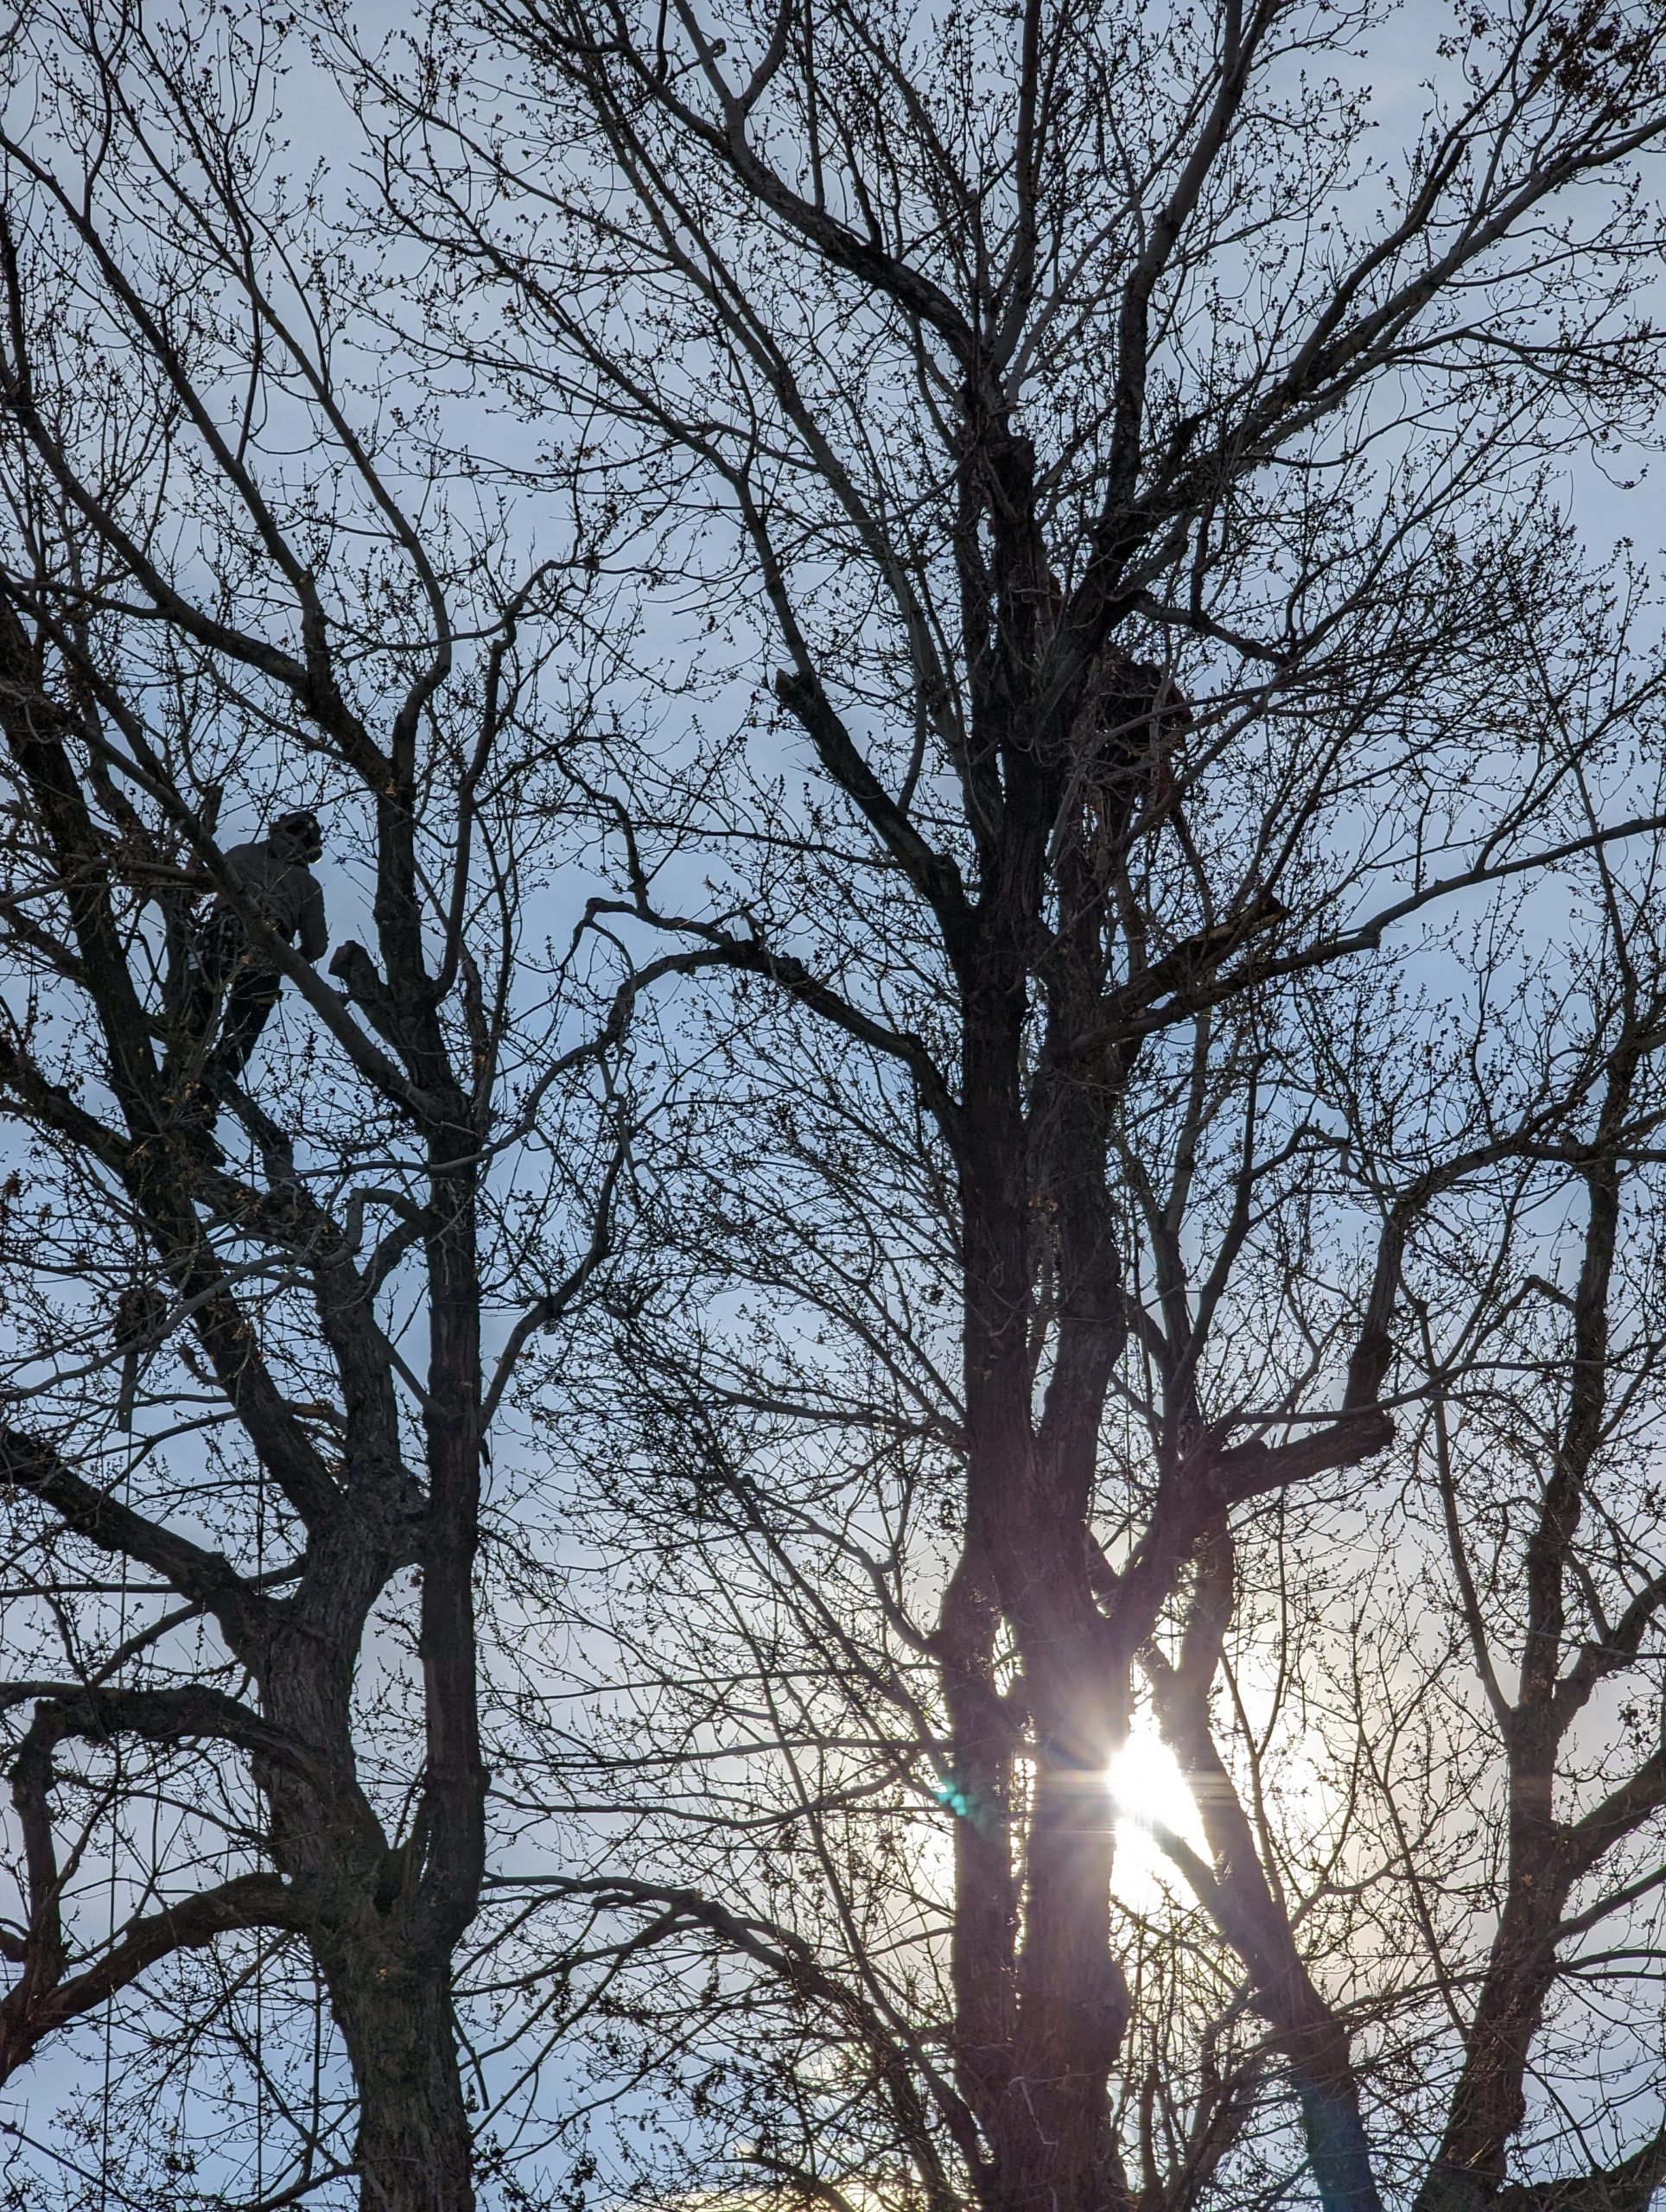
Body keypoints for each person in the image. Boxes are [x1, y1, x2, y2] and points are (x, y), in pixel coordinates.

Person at [180, 808, 327, 1101]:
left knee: (193, 1020)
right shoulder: (307, 885)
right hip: (268, 953)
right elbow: (316, 945)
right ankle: (202, 1105)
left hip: (217, 937)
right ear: (311, 850)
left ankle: (172, 1087)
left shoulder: (241, 853)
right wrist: (287, 962)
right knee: (239, 1037)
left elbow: (198, 886)